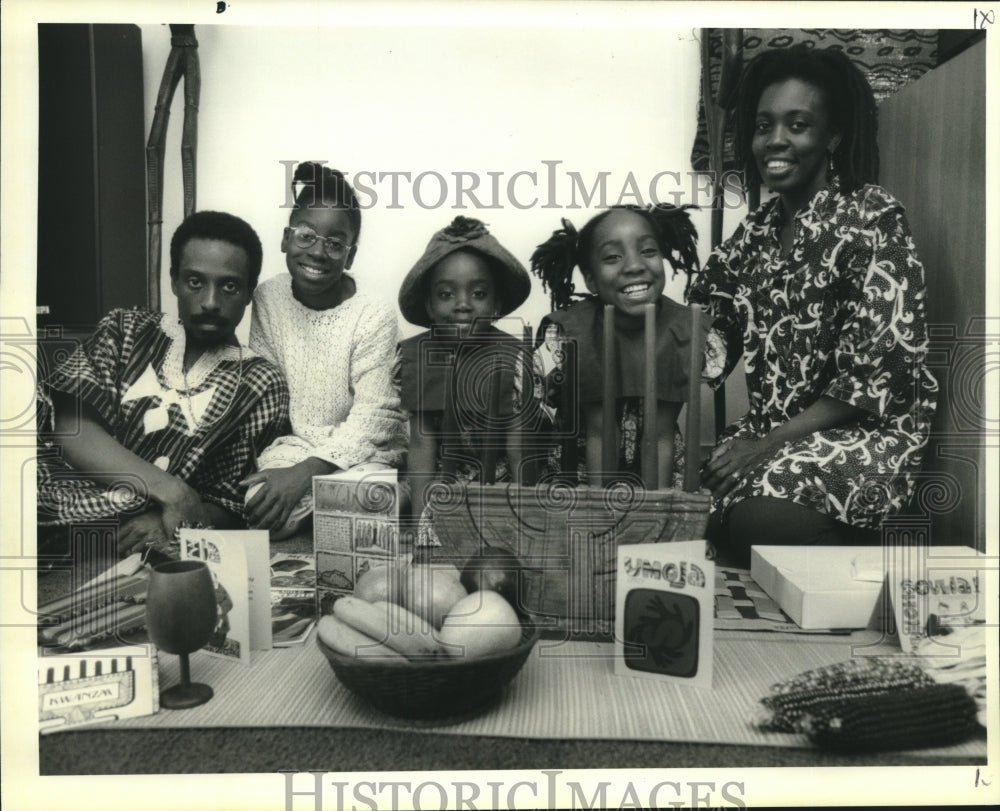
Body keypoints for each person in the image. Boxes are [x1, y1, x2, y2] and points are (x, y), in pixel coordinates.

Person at [687, 46, 938, 564]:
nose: (775, 141)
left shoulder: (872, 217)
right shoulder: (754, 234)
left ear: (832, 137)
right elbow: (708, 339)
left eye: (797, 125)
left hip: (857, 438)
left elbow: (877, 376)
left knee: (759, 521)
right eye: (763, 125)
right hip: (771, 438)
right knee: (683, 509)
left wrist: (765, 444)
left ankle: (878, 552)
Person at [37, 211, 291, 559]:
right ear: (173, 280)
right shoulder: (126, 329)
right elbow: (71, 430)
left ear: (249, 292)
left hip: (120, 545)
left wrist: (162, 520)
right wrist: (172, 492)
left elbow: (231, 501)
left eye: (229, 286)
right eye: (194, 282)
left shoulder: (260, 384)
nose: (210, 302)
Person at [244, 162, 407, 540]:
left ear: (349, 256)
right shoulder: (269, 297)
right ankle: (325, 508)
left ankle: (341, 504)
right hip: (296, 445)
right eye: (305, 235)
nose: (318, 251)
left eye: (335, 243)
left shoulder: (373, 314)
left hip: (364, 450)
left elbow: (376, 415)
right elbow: (267, 391)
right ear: (285, 239)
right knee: (258, 510)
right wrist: (287, 471)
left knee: (369, 501)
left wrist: (305, 475)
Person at [530, 204, 722, 487]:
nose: (634, 266)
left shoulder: (683, 328)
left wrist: (654, 512)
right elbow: (599, 431)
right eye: (612, 257)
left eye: (648, 251)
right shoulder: (574, 331)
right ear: (591, 279)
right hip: (584, 465)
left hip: (658, 462)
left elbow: (661, 435)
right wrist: (599, 512)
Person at [395, 216, 532, 543]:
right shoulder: (417, 355)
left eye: (479, 293)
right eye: (445, 295)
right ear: (429, 304)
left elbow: (518, 448)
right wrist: (420, 529)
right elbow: (421, 444)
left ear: (497, 303)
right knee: (388, 499)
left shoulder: (515, 357)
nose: (462, 305)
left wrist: (527, 520)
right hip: (441, 481)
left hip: (498, 484)